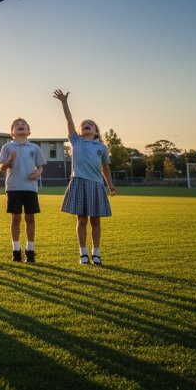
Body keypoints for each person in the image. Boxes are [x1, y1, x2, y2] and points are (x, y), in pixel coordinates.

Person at [53, 90, 116, 265]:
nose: (87, 124)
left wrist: (110, 186)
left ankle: (96, 253)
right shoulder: (76, 141)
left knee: (95, 219)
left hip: (96, 185)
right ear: (79, 132)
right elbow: (69, 120)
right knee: (81, 219)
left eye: (91, 124)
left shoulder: (101, 148)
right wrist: (64, 103)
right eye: (84, 124)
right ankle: (83, 254)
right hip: (78, 182)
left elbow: (105, 167)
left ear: (96, 131)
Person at [0, 118, 46, 263]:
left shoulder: (34, 148)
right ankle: (16, 250)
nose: (20, 126)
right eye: (17, 125)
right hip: (13, 187)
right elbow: (1, 167)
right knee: (16, 218)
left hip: (30, 188)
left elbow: (40, 166)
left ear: (28, 131)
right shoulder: (7, 147)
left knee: (30, 218)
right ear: (12, 132)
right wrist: (9, 161)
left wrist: (37, 174)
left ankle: (30, 250)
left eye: (23, 125)